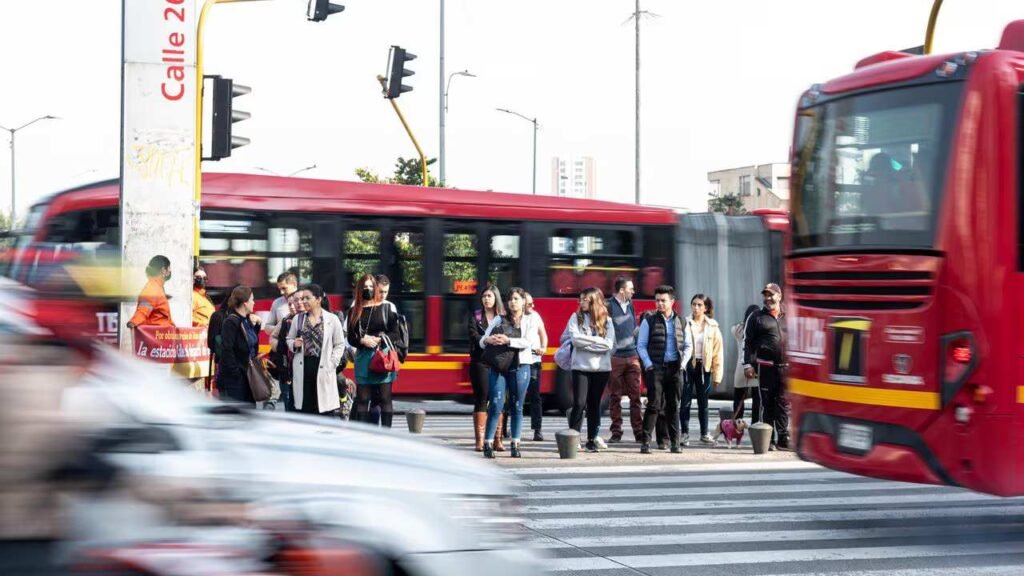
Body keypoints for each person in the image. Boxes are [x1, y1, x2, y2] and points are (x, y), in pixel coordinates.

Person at [478, 287, 541, 458]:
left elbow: (528, 341)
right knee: (496, 404)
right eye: (510, 299)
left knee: (517, 406)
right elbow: (482, 341)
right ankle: (488, 444)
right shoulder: (499, 319)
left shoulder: (531, 320)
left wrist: (508, 340)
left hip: (521, 366)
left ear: (523, 302)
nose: (512, 302)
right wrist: (488, 339)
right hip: (499, 367)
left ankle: (515, 444)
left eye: (516, 299)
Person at [637, 285, 692, 454]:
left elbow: (688, 346)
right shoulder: (649, 320)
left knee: (673, 406)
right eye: (657, 300)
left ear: (672, 302)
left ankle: (675, 443)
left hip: (675, 369)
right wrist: (648, 364)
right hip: (656, 369)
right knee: (653, 404)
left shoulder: (682, 321)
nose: (659, 304)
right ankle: (645, 442)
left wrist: (683, 364)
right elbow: (641, 345)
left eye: (663, 300)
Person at [562, 287, 615, 453]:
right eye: (580, 299)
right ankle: (573, 438)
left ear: (593, 301)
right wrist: (597, 342)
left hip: (601, 368)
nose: (581, 302)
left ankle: (592, 439)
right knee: (579, 403)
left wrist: (588, 343)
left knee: (594, 404)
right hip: (580, 367)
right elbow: (575, 340)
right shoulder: (575, 317)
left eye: (584, 299)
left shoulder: (607, 320)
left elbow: (609, 344)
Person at [347, 274, 402, 427]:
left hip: (382, 357)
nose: (369, 290)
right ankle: (364, 435)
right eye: (365, 287)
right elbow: (351, 338)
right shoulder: (354, 311)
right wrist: (362, 340)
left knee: (385, 399)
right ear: (359, 289)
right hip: (363, 358)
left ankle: (385, 435)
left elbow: (395, 333)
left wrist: (379, 339)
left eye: (371, 287)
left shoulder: (385, 308)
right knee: (363, 399)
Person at [743, 282, 789, 450]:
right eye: (765, 295)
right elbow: (746, 343)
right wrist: (747, 364)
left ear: (779, 296)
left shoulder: (789, 315)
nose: (768, 298)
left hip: (786, 367)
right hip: (766, 367)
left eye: (771, 295)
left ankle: (783, 438)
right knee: (767, 403)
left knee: (784, 403)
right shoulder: (756, 317)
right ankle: (768, 439)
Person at [287, 284, 345, 416]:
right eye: (302, 298)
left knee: (324, 411)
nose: (303, 301)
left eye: (307, 298)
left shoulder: (332, 319)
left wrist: (332, 363)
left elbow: (339, 344)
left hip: (324, 369)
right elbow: (289, 339)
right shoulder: (298, 319)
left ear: (318, 299)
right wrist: (294, 344)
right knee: (305, 413)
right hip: (304, 370)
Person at [682, 293, 725, 446]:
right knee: (685, 400)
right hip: (689, 365)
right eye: (694, 304)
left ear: (706, 308)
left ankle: (704, 433)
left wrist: (717, 376)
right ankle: (684, 434)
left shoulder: (713, 326)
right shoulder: (685, 323)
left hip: (704, 367)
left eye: (700, 305)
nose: (696, 307)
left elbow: (717, 352)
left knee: (703, 402)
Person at [468, 284, 505, 451]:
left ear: (496, 297)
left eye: (489, 296)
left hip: (499, 362)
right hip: (480, 361)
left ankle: (497, 439)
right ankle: (480, 440)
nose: (486, 299)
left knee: (498, 399)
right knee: (482, 398)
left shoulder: (503, 317)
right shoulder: (475, 316)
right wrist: (487, 339)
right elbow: (474, 336)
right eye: (484, 296)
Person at [606, 277, 643, 444]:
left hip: (632, 355)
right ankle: (616, 432)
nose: (633, 292)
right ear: (622, 290)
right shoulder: (608, 306)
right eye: (630, 289)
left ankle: (639, 431)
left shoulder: (631, 305)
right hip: (616, 357)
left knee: (636, 396)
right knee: (615, 397)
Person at [216, 285, 263, 404]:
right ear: (245, 303)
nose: (254, 303)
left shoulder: (247, 320)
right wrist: (236, 373)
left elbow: (248, 342)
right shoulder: (231, 322)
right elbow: (227, 350)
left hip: (248, 376)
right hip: (236, 380)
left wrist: (257, 326)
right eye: (252, 299)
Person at [269, 291, 305, 411]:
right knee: (290, 405)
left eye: (300, 300)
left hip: (305, 370)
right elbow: (275, 340)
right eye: (290, 304)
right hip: (289, 370)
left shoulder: (311, 318)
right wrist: (284, 346)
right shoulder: (286, 321)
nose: (294, 306)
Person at [524, 292, 548, 442]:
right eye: (529, 304)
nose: (533, 306)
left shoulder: (535, 316)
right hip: (518, 358)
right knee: (512, 396)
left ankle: (537, 430)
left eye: (533, 303)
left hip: (534, 359)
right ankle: (504, 428)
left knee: (535, 396)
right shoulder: (513, 317)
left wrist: (543, 347)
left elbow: (543, 334)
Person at [126, 255, 174, 329]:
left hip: (162, 334)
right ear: (163, 270)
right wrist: (134, 322)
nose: (170, 271)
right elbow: (144, 308)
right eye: (169, 268)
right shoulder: (153, 288)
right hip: (156, 336)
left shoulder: (158, 287)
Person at [732, 305, 761, 421]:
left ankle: (736, 425)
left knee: (738, 398)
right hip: (755, 368)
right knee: (757, 400)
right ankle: (755, 425)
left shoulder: (738, 330)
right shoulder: (759, 331)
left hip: (741, 367)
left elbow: (733, 329)